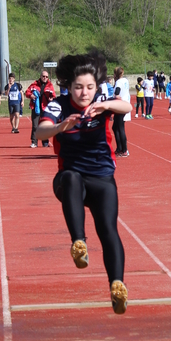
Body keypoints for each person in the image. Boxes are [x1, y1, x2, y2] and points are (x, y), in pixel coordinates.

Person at [36, 52, 132, 314]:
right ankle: (78, 242)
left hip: (102, 179)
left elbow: (127, 107)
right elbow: (39, 131)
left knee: (108, 230)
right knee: (70, 177)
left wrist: (107, 106)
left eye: (90, 87)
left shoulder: (102, 99)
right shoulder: (59, 105)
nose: (84, 93)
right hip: (70, 183)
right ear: (69, 87)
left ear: (96, 86)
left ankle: (117, 286)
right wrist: (60, 127)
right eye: (78, 87)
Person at [26, 70, 56, 148]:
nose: (45, 78)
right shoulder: (34, 84)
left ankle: (45, 142)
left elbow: (54, 96)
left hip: (45, 108)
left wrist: (51, 99)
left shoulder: (50, 85)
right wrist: (31, 96)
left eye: (46, 77)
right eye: (43, 76)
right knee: (35, 126)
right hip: (35, 108)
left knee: (45, 126)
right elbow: (27, 92)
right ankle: (34, 142)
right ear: (40, 76)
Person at [113, 66, 131, 157]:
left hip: (121, 106)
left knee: (120, 128)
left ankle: (124, 149)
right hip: (125, 104)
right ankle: (119, 148)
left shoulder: (118, 82)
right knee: (115, 127)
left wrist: (115, 95)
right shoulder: (125, 80)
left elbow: (117, 91)